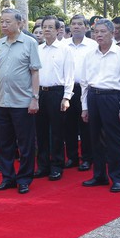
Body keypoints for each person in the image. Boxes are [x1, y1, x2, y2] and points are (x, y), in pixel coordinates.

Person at [0, 8, 41, 195]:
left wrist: (35, 99)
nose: (4, 25)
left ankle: (24, 179)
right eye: (2, 21)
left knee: (25, 144)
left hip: (23, 103)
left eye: (8, 21)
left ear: (20, 23)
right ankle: (8, 178)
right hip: (2, 102)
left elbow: (35, 72)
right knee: (4, 143)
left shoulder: (30, 43)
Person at [80, 18, 120, 193]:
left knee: (114, 139)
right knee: (95, 138)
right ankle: (99, 175)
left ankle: (117, 177)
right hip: (93, 97)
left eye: (103, 32)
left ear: (112, 33)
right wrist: (84, 107)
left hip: (112, 97)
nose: (99, 35)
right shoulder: (89, 54)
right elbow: (84, 82)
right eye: (96, 32)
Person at [34, 15, 74, 181]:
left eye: (51, 27)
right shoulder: (38, 49)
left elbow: (70, 75)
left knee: (56, 132)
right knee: (40, 131)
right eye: (45, 27)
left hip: (57, 93)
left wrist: (66, 97)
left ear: (58, 30)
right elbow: (34, 73)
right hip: (40, 93)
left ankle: (57, 165)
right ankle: (43, 165)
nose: (47, 30)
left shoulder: (65, 50)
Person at [64, 14, 97, 172]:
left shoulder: (93, 45)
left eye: (79, 24)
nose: (76, 26)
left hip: (86, 89)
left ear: (86, 27)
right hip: (67, 90)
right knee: (68, 125)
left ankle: (87, 157)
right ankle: (72, 157)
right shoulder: (63, 45)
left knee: (86, 124)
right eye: (73, 24)